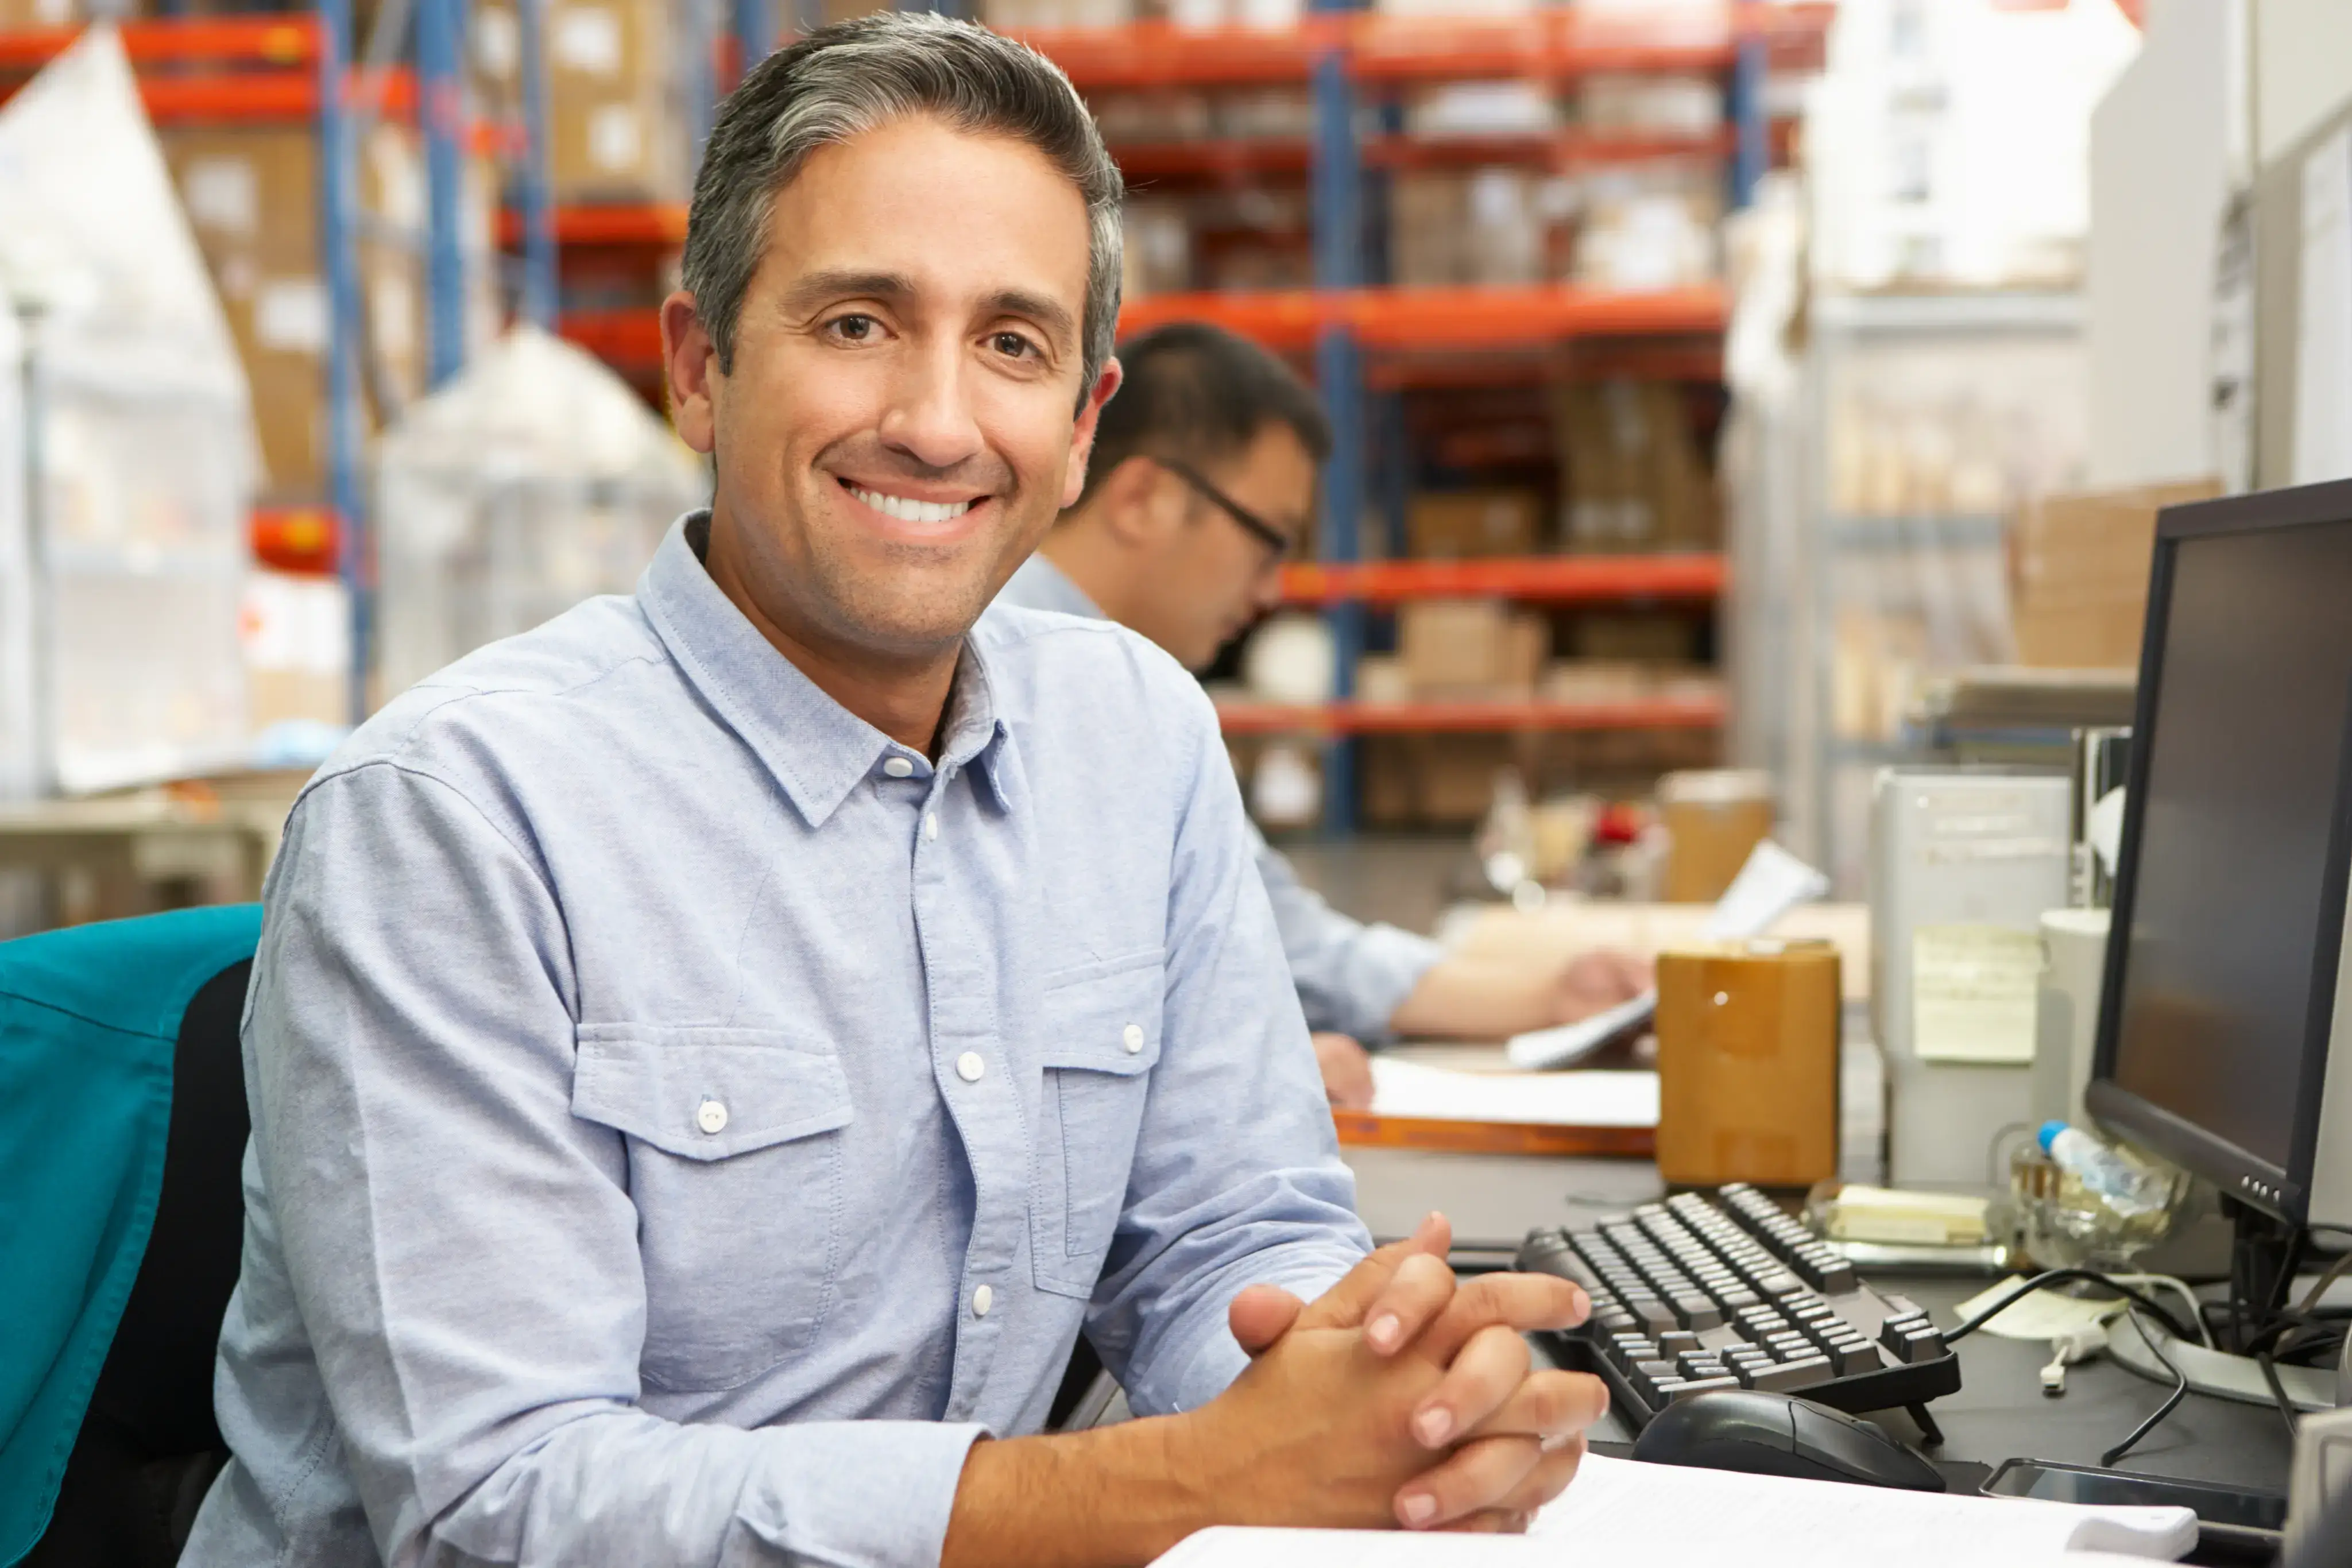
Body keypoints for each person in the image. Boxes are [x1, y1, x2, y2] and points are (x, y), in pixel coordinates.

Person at [180, 17, 1607, 1567]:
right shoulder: (457, 817)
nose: (937, 421)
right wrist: (1194, 1481)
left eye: (1012, 343)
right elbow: (504, 1507)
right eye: (858, 322)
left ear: (1078, 425)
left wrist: (1382, 1404)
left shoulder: (1137, 737)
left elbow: (1227, 1236)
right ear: (699, 370)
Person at [995, 323, 1652, 1108]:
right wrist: (1236, 1073)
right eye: (1268, 541)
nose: (1273, 591)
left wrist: (1549, 998)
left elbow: (1282, 939)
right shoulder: (1015, 674)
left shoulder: (1129, 696)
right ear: (1143, 499)